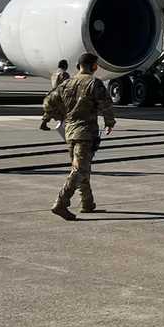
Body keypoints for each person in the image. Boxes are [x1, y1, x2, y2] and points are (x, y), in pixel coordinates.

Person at [44, 52, 116, 220]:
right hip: (85, 131)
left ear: (78, 66)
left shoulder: (66, 83)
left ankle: (87, 203)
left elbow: (48, 102)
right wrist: (109, 122)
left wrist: (58, 116)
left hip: (69, 131)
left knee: (81, 166)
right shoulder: (94, 83)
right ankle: (61, 203)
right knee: (81, 169)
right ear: (94, 66)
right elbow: (105, 104)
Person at [38, 60, 71, 135]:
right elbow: (66, 85)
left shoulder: (54, 73)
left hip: (52, 93)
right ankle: (63, 127)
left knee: (50, 110)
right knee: (64, 110)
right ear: (65, 66)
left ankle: (44, 124)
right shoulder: (64, 74)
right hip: (59, 94)